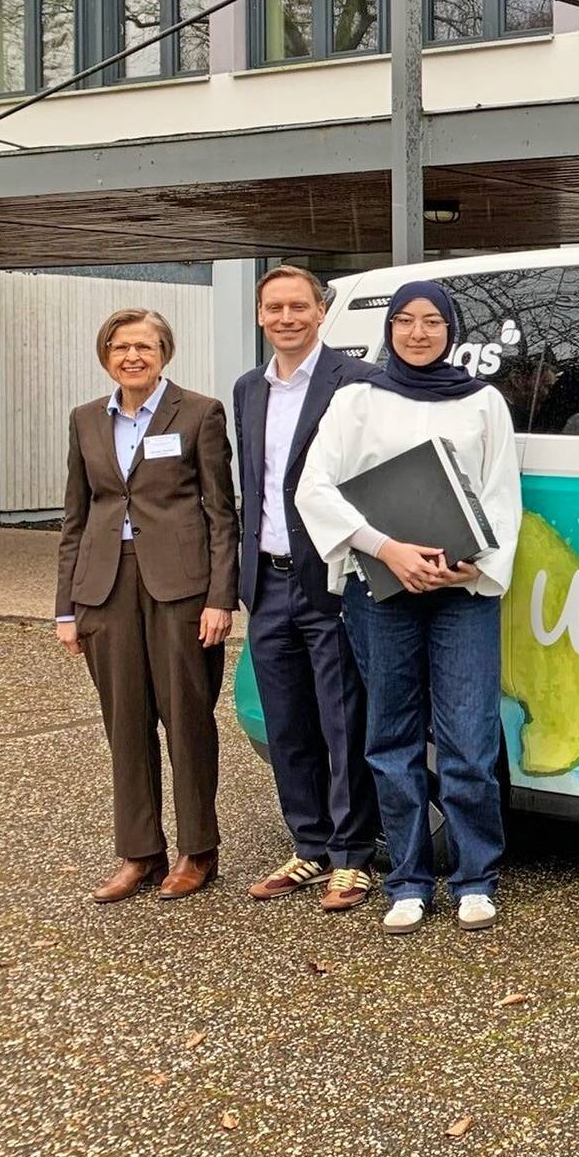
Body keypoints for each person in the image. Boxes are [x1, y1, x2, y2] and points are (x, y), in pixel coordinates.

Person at [296, 280, 523, 937]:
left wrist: (473, 560)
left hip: (463, 592)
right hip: (381, 589)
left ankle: (476, 874)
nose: (418, 332)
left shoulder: (484, 402)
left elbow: (502, 495)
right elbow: (316, 488)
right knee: (391, 737)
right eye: (405, 321)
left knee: (468, 738)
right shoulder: (357, 400)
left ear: (452, 330)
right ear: (389, 329)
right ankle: (409, 878)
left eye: (432, 321)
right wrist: (387, 548)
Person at [54, 309, 238, 903]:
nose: (133, 355)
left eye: (145, 346)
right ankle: (139, 853)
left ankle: (197, 851)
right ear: (105, 353)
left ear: (166, 351)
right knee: (125, 724)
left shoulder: (200, 413)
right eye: (121, 346)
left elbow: (220, 513)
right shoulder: (86, 420)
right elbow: (75, 519)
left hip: (181, 587)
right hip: (104, 588)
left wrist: (220, 597)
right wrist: (66, 608)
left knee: (186, 718)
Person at [233, 265, 380, 912]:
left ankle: (353, 856)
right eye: (275, 307)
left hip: (330, 576)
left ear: (322, 312)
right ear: (261, 315)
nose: (287, 317)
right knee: (288, 720)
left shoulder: (357, 380)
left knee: (342, 717)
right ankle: (309, 845)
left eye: (299, 305)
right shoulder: (246, 389)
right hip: (266, 580)